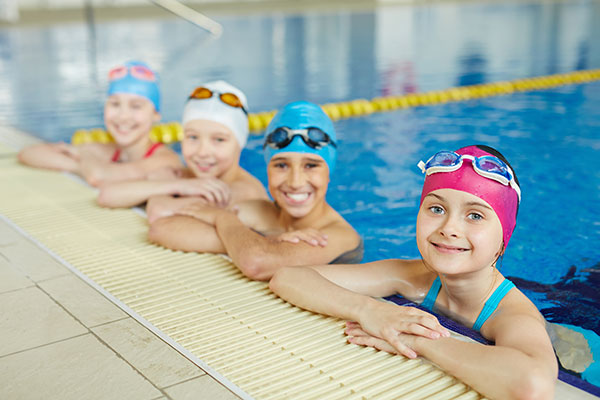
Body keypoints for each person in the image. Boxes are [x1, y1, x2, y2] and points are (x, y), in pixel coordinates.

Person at [270, 145, 558, 400]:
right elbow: (287, 276)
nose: (449, 228)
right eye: (436, 208)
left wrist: (416, 340)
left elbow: (532, 387)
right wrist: (370, 311)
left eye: (475, 215)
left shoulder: (512, 315)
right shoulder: (410, 275)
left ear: (503, 239)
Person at [149, 101, 363, 280]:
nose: (296, 182)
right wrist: (270, 240)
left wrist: (223, 219)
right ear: (267, 169)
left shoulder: (338, 236)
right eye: (281, 165)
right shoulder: (260, 211)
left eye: (311, 165)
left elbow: (257, 263)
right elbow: (163, 228)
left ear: (329, 172)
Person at [96, 81, 268, 220]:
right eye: (193, 137)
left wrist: (162, 186)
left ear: (240, 142)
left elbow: (159, 212)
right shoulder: (182, 177)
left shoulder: (244, 190)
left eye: (219, 140)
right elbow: (106, 195)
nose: (203, 152)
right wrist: (180, 185)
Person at [17, 61, 181, 186]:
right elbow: (29, 153)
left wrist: (85, 159)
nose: (123, 116)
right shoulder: (104, 150)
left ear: (156, 115)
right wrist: (82, 166)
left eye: (136, 106)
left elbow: (98, 177)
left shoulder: (166, 161)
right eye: (115, 104)